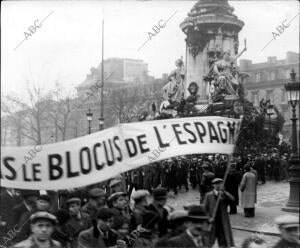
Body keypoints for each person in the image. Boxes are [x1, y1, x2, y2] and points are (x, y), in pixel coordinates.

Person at [203, 178, 235, 248]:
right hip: (212, 223)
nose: (218, 186)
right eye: (216, 184)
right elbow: (204, 209)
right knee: (209, 243)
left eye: (220, 184)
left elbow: (232, 200)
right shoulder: (208, 195)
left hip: (222, 223)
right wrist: (208, 218)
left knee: (223, 243)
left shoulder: (224, 194)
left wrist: (225, 193)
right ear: (213, 185)